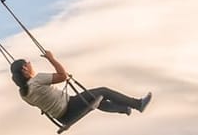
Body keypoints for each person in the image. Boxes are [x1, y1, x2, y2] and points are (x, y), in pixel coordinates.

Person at [10, 51, 151, 122]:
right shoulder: (37, 80)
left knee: (94, 99)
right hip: (69, 106)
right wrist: (51, 58)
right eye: (28, 63)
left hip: (62, 118)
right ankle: (137, 104)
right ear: (24, 69)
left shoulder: (23, 93)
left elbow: (39, 104)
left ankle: (123, 108)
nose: (31, 64)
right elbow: (62, 76)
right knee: (103, 91)